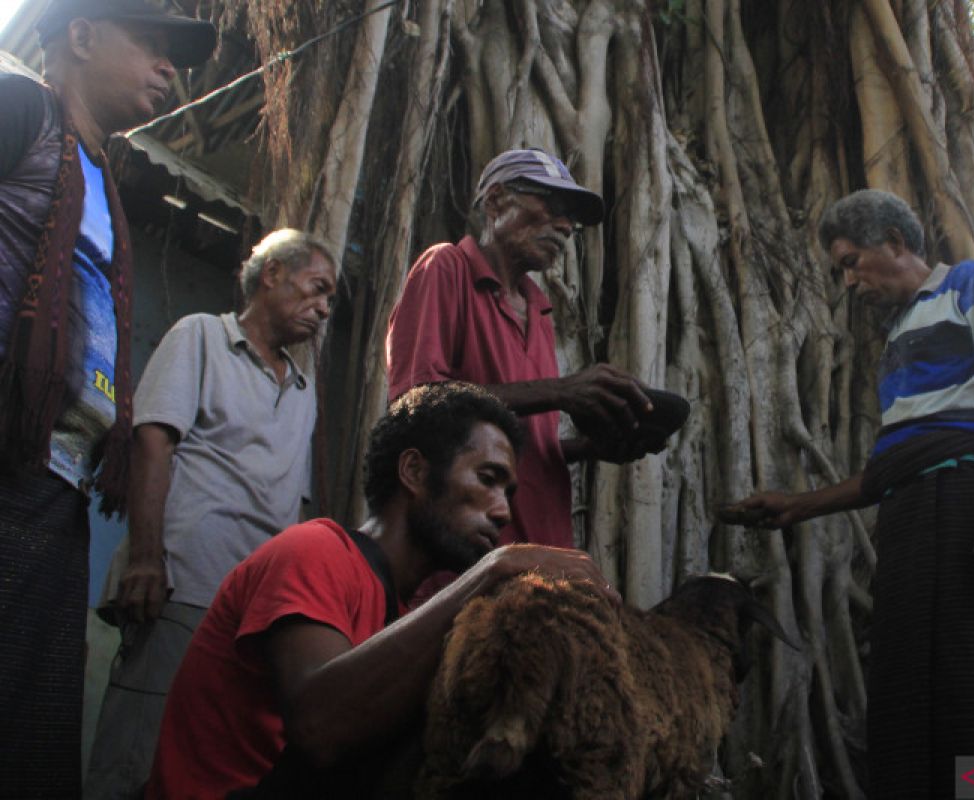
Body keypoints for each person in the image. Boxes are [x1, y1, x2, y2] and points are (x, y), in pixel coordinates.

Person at [723, 189, 974, 798]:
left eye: (852, 261)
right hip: (908, 521)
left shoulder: (968, 283)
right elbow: (891, 467)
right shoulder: (898, 334)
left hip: (968, 503)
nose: (849, 280)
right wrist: (796, 506)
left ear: (897, 243)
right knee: (908, 686)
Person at [144, 381, 618, 798]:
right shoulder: (315, 550)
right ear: (413, 472)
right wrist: (498, 567)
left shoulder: (401, 614)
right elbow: (319, 728)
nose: (503, 513)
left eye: (509, 493)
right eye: (488, 479)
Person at [0, 1, 215, 794]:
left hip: (54, 487)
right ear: (82, 36)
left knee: (31, 726)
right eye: (152, 45)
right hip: (3, 457)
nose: (169, 68)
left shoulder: (102, 182)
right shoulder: (19, 105)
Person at [86, 229, 337, 798]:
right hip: (183, 585)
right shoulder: (200, 336)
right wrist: (147, 560)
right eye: (317, 288)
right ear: (271, 274)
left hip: (254, 615)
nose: (324, 308)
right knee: (136, 761)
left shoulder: (304, 390)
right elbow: (153, 443)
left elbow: (293, 508)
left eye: (331, 300)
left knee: (209, 771)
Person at [386, 148, 660, 550]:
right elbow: (416, 403)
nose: (566, 227)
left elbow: (513, 444)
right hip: (468, 553)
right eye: (552, 206)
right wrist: (561, 390)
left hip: (544, 544)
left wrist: (588, 448)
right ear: (495, 201)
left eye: (571, 220)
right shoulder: (447, 269)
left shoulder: (539, 311)